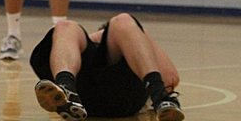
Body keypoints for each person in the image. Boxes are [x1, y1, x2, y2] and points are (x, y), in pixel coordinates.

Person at [30, 13, 185, 120]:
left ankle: (160, 97)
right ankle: (66, 88)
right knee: (66, 26)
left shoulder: (121, 32)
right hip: (83, 96)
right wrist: (139, 33)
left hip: (123, 98)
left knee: (122, 21)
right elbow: (171, 78)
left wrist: (138, 34)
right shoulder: (86, 46)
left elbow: (169, 76)